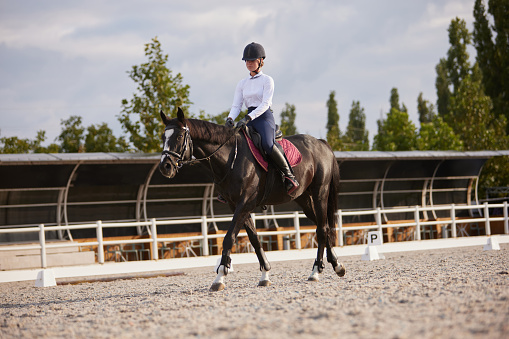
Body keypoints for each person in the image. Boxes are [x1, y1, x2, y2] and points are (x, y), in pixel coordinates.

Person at [223, 42, 299, 198]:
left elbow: (265, 104)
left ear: (260, 61)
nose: (249, 63)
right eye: (247, 61)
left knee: (267, 144)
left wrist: (248, 117)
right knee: (235, 145)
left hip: (263, 117)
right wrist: (230, 118)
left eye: (252, 60)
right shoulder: (242, 83)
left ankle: (289, 176)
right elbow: (236, 105)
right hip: (248, 117)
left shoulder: (267, 80)